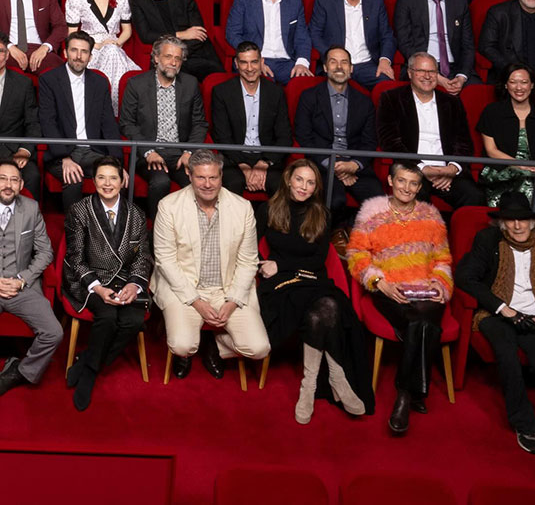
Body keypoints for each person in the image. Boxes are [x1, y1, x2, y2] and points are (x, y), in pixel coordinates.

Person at [455, 192, 535, 456]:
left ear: (533, 222)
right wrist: (504, 309)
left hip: (534, 315)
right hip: (497, 314)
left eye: (523, 220)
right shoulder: (488, 239)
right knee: (507, 358)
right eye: (510, 221)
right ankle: (524, 424)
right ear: (502, 223)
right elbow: (466, 277)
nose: (517, 226)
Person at [257, 158, 373, 423]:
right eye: (299, 179)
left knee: (325, 308)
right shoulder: (267, 209)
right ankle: (336, 377)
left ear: (315, 187)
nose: (303, 187)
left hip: (312, 279)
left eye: (310, 183)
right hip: (281, 285)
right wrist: (266, 267)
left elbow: (317, 260)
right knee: (324, 309)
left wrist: (281, 264)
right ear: (288, 179)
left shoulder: (322, 213)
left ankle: (310, 386)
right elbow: (250, 250)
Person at [347, 163, 453, 434]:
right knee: (424, 321)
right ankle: (416, 392)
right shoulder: (372, 212)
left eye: (413, 183)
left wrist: (440, 283)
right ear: (390, 181)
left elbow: (442, 258)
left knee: (423, 317)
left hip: (426, 291)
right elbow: (357, 255)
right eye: (402, 181)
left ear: (420, 187)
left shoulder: (432, 216)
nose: (407, 188)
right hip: (391, 289)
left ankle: (404, 395)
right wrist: (378, 282)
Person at [152, 148, 270, 380]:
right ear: (190, 175)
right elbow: (165, 260)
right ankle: (190, 349)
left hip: (227, 289)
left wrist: (233, 300)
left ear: (221, 177)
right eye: (201, 177)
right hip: (184, 289)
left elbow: (248, 261)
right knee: (182, 346)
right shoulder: (169, 206)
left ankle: (216, 345)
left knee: (259, 348)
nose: (208, 184)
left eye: (213, 177)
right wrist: (196, 302)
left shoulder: (242, 207)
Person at [62, 156, 152, 411]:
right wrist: (98, 288)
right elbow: (75, 257)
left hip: (124, 281)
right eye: (101, 177)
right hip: (89, 280)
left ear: (123, 181)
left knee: (133, 321)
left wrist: (134, 285)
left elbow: (141, 257)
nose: (107, 183)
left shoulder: (135, 214)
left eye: (113, 177)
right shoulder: (80, 210)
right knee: (108, 317)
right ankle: (90, 373)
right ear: (93, 181)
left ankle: (87, 362)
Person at [376, 52, 485, 215]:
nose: (427, 76)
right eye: (421, 71)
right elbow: (390, 141)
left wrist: (452, 169)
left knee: (475, 197)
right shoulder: (391, 98)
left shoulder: (452, 102)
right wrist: (422, 168)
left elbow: (463, 142)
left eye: (432, 72)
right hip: (411, 169)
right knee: (417, 199)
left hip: (447, 171)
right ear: (410, 73)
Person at [295, 46, 384, 233]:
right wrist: (332, 164)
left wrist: (355, 165)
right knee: (335, 201)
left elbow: (369, 142)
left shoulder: (364, 101)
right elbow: (304, 137)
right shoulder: (309, 97)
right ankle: (337, 235)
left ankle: (353, 234)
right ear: (325, 68)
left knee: (378, 203)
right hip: (323, 163)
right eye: (333, 62)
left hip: (354, 163)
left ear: (351, 68)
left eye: (344, 62)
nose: (339, 67)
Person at [119, 35, 208, 220]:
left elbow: (199, 123)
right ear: (156, 58)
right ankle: (156, 234)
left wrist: (189, 153)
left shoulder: (191, 84)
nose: (173, 62)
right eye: (168, 57)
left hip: (180, 153)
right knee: (160, 182)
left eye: (178, 58)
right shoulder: (137, 84)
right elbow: (126, 123)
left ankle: (186, 234)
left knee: (195, 184)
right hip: (148, 153)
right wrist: (148, 151)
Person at [477, 63, 535, 229]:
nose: (519, 87)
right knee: (527, 184)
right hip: (501, 169)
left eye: (524, 82)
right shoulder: (492, 111)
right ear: (506, 85)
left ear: (532, 85)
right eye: (513, 82)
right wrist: (520, 164)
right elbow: (491, 151)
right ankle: (529, 231)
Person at [39, 30, 123, 212]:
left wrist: (117, 163)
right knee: (73, 179)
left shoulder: (99, 82)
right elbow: (48, 121)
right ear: (65, 52)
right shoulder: (49, 80)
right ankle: (74, 234)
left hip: (93, 151)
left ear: (90, 56)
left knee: (113, 178)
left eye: (84, 52)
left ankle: (107, 230)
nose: (78, 56)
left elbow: (108, 123)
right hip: (62, 152)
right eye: (74, 50)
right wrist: (64, 158)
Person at [0, 159, 62, 398]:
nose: (8, 184)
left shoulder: (31, 208)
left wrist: (21, 279)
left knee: (53, 333)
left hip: (22, 286)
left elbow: (46, 251)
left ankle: (21, 371)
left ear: (21, 184)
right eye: (3, 179)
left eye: (14, 180)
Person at [211, 41, 292, 197]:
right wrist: (244, 167)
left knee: (279, 187)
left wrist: (264, 163)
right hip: (234, 157)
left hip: (267, 156)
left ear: (262, 62)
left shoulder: (276, 93)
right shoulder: (222, 92)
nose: (249, 68)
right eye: (244, 63)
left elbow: (284, 137)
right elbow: (222, 137)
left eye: (254, 62)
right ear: (236, 64)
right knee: (232, 185)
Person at [65, 0, 140, 115]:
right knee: (110, 53)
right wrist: (97, 45)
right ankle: (113, 111)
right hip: (89, 49)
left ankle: (110, 110)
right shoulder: (77, 1)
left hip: (115, 46)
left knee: (112, 52)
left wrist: (116, 43)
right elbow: (72, 35)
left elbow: (127, 30)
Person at [129, 0, 223, 81]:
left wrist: (179, 55)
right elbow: (146, 36)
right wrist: (181, 35)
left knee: (219, 84)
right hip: (165, 58)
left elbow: (199, 34)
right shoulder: (136, 1)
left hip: (195, 55)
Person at [394, 0, 478, 92]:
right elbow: (405, 43)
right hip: (421, 67)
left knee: (477, 92)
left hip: (455, 67)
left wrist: (461, 76)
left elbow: (468, 45)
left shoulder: (460, 3)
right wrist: (435, 76)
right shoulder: (407, 1)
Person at [225, 0, 312, 85]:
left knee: (305, 85)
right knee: (265, 88)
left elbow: (302, 37)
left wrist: (302, 63)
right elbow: (232, 33)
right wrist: (254, 60)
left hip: (287, 62)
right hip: (256, 60)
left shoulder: (294, 2)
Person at [309, 0, 396, 88]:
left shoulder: (376, 2)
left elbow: (387, 35)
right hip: (336, 64)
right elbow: (314, 34)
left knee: (387, 86)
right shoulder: (324, 2)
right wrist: (331, 58)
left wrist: (384, 60)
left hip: (367, 65)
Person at [0, 31, 42, 200]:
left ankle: (27, 223)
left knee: (32, 175)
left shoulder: (23, 83)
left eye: (1, 51)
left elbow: (33, 122)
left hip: (14, 152)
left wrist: (24, 150)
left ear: (7, 55)